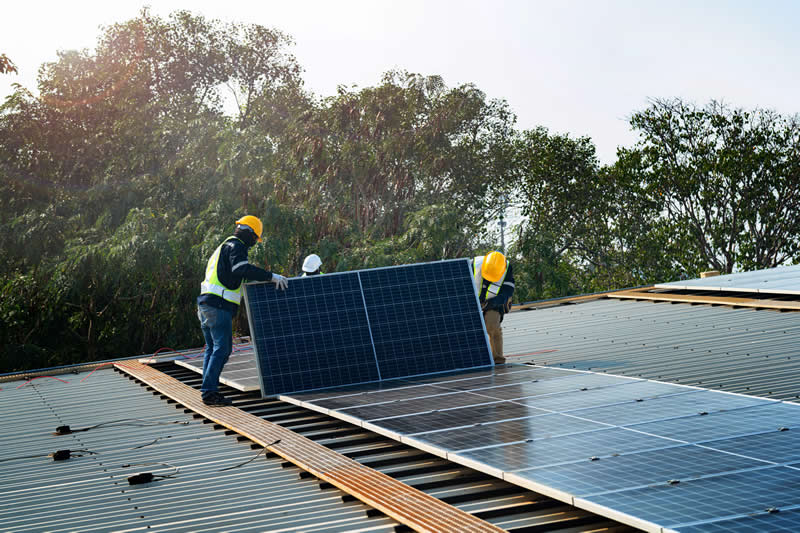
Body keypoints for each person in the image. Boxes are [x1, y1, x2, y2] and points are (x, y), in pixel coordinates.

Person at [197, 215, 288, 406]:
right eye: (255, 238)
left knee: (212, 349)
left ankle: (207, 390)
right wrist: (270, 276)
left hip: (206, 305)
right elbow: (241, 268)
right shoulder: (236, 246)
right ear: (249, 233)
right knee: (222, 349)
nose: (254, 243)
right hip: (218, 306)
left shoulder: (224, 246)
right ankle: (209, 393)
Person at [471, 251, 515, 364]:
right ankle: (473, 359)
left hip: (494, 302)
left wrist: (491, 303)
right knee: (469, 327)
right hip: (472, 301)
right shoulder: (474, 264)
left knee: (492, 326)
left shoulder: (506, 269)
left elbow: (507, 292)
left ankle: (498, 360)